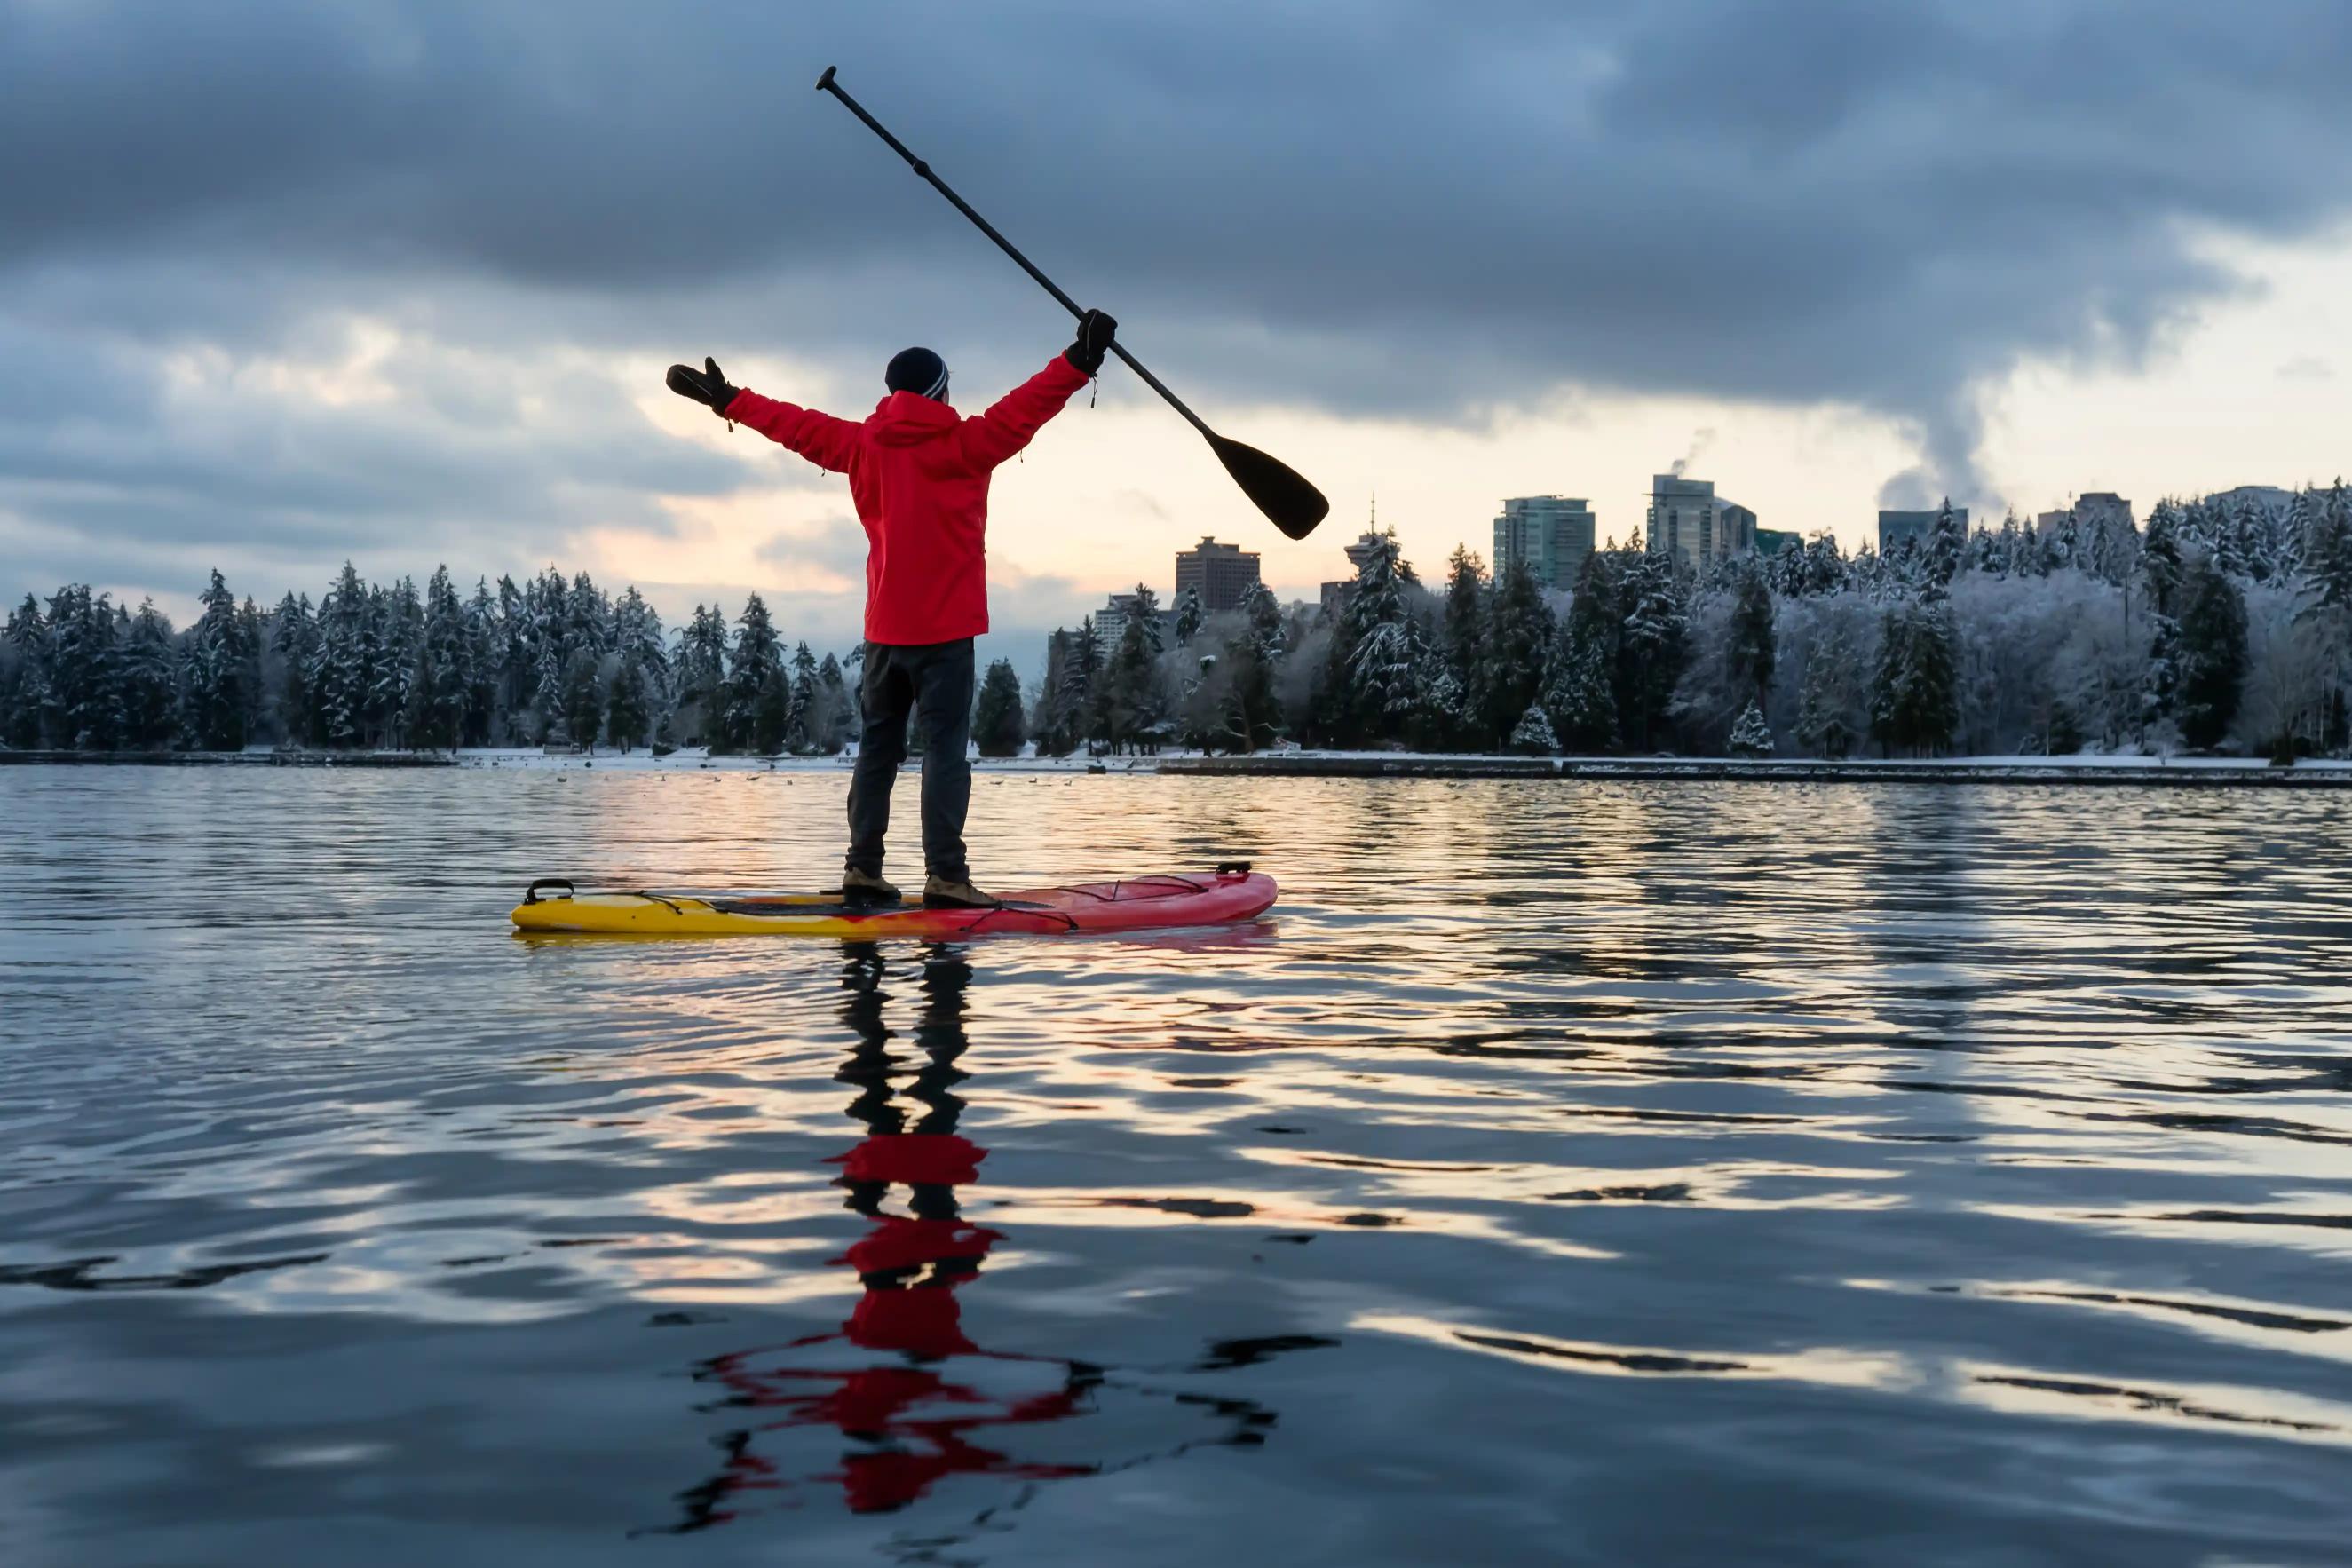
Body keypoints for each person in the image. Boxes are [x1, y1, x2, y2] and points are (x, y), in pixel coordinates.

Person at [666, 311, 1116, 908]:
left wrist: (729, 400)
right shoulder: (967, 444)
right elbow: (1026, 406)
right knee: (945, 753)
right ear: (940, 390)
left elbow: (794, 425)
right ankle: (947, 877)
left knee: (878, 751)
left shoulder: (860, 444)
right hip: (947, 633)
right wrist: (1079, 360)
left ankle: (862, 870)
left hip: (883, 633)